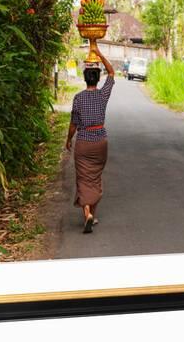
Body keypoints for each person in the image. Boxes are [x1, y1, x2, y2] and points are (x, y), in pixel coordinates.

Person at [65, 44, 115, 233]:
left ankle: (87, 213)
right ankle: (91, 215)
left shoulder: (78, 98)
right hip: (100, 142)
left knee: (83, 178)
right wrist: (99, 53)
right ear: (97, 79)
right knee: (95, 177)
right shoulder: (103, 95)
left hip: (84, 142)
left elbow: (73, 123)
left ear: (85, 79)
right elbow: (111, 73)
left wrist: (68, 139)